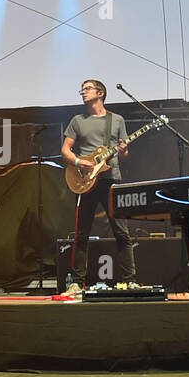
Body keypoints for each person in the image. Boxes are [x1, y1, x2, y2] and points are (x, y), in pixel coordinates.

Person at [61, 79, 136, 287]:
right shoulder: (78, 120)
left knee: (121, 231)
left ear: (100, 93)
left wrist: (123, 151)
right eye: (82, 89)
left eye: (87, 89)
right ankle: (77, 283)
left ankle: (130, 281)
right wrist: (78, 161)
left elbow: (124, 154)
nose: (83, 92)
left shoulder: (117, 120)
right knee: (82, 232)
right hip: (85, 181)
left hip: (111, 179)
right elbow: (65, 150)